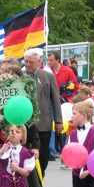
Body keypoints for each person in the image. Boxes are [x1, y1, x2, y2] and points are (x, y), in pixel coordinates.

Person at [23, 48, 62, 177]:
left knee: (44, 153)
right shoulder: (19, 77)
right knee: (27, 153)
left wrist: (58, 121)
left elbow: (55, 100)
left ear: (40, 62)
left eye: (31, 62)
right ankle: (29, 181)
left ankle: (41, 176)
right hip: (24, 122)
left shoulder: (48, 76)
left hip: (43, 121)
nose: (28, 65)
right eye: (26, 62)